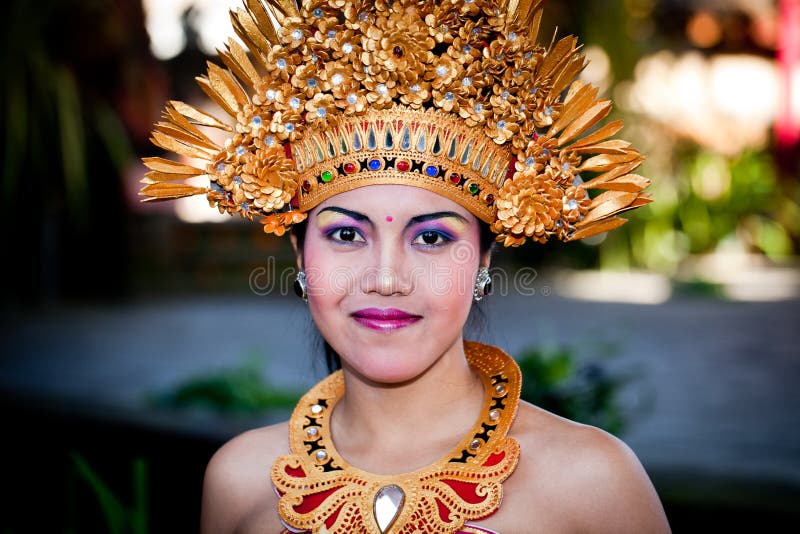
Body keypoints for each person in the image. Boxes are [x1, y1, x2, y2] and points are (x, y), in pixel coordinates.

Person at [141, 1, 670, 532]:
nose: (386, 279)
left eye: (433, 237)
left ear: (484, 257)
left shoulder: (592, 484)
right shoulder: (239, 481)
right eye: (347, 234)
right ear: (301, 255)